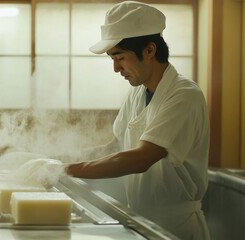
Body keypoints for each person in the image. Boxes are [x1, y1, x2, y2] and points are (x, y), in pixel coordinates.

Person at [62, 1, 210, 239]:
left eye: (119, 57)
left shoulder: (184, 94)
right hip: (141, 220)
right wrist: (55, 157)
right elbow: (114, 147)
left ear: (149, 50)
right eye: (112, 58)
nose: (115, 68)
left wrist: (64, 170)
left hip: (176, 226)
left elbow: (142, 158)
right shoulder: (138, 91)